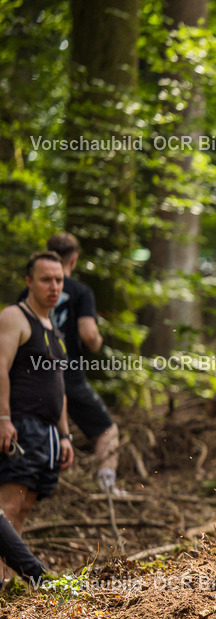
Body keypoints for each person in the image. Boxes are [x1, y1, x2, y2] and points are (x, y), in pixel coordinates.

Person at [20, 235, 124, 496]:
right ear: (74, 260)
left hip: (29, 375)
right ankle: (107, 488)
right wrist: (98, 341)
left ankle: (32, 485)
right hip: (68, 373)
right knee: (106, 429)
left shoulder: (27, 293)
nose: (54, 287)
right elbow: (89, 335)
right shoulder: (80, 291)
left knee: (36, 427)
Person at [0, 252, 74, 583]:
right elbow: (0, 367)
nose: (54, 286)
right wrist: (3, 418)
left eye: (58, 280)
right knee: (9, 504)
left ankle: (6, 582)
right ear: (29, 281)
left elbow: (59, 388)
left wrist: (65, 435)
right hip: (19, 424)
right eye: (46, 279)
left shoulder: (53, 328)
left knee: (25, 505)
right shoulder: (14, 317)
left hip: (47, 432)